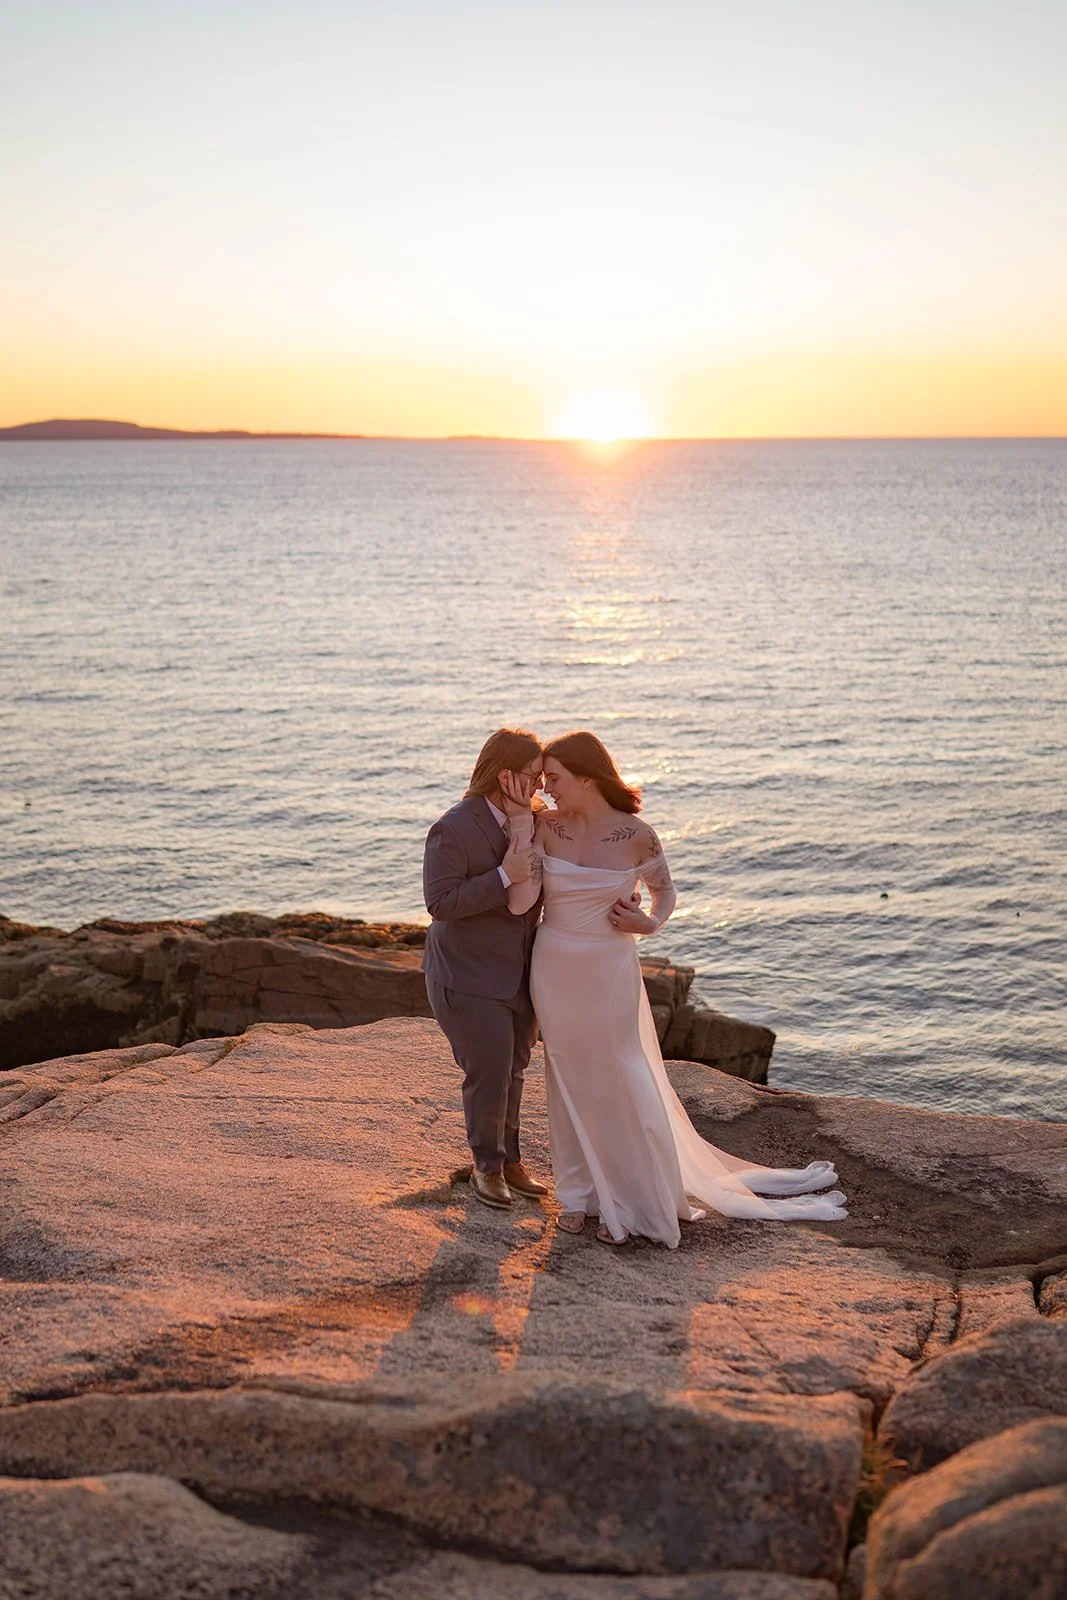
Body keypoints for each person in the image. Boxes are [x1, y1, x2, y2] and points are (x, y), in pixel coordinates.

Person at [504, 731, 848, 1247]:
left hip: (610, 966)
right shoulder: (543, 825)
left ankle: (643, 1194)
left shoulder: (638, 834)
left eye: (555, 778)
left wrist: (648, 924)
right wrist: (515, 821)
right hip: (554, 965)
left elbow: (665, 894)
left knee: (623, 1071)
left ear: (588, 779)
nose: (546, 788)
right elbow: (522, 893)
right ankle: (579, 1196)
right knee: (568, 1076)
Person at [422, 728, 549, 1209]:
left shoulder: (534, 822)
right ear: (505, 775)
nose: (539, 786)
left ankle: (511, 1161)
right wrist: (501, 877)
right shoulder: (452, 828)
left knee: (515, 1069)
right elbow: (440, 902)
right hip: (467, 976)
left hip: (521, 973)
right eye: (534, 776)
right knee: (489, 1072)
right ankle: (486, 1168)